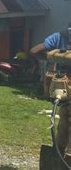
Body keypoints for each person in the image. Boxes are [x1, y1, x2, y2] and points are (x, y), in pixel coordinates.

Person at [30, 27, 71, 162]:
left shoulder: (62, 35)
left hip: (64, 91)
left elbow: (35, 51)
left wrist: (51, 59)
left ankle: (58, 159)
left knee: (63, 130)